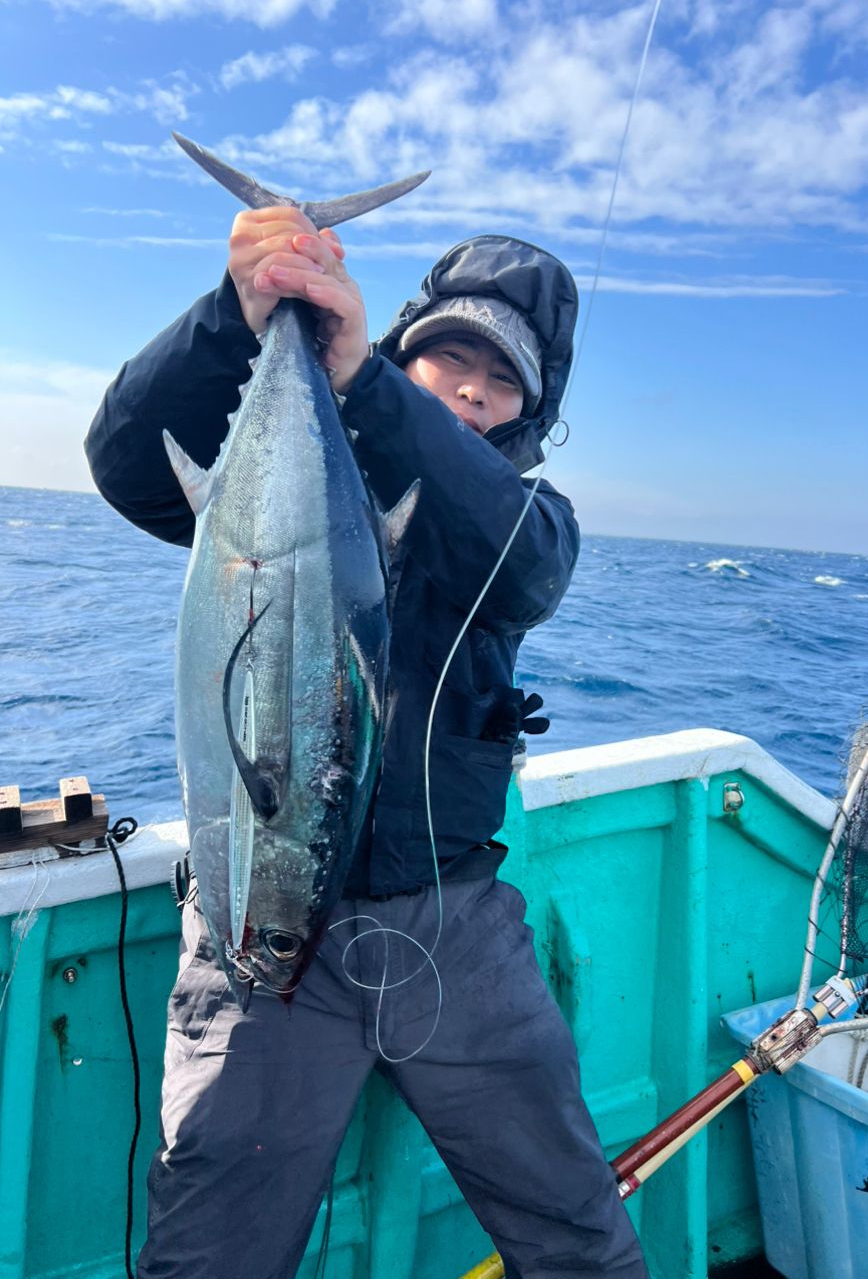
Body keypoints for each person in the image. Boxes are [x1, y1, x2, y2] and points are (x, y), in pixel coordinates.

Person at [85, 206, 649, 1279]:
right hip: (262, 918)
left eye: (504, 376)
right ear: (404, 345)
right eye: (451, 353)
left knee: (576, 1222)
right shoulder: (278, 477)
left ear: (535, 409)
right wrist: (235, 314)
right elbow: (123, 464)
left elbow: (526, 568)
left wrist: (374, 391)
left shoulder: (521, 522)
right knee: (210, 1250)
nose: (475, 386)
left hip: (455, 924)